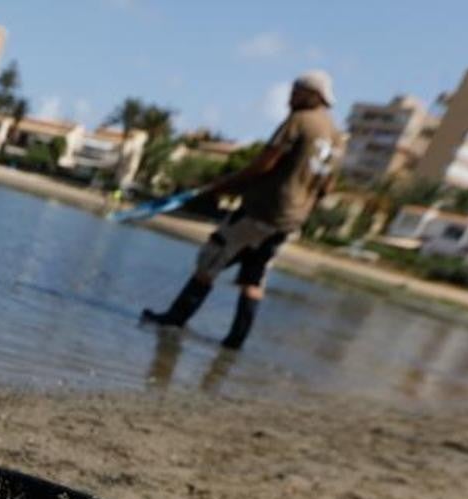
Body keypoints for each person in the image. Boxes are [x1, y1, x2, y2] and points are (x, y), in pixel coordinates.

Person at [141, 70, 342, 349]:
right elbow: (327, 186)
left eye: (295, 90)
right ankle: (235, 343)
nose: (290, 96)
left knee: (211, 259)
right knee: (254, 277)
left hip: (262, 210)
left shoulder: (299, 121)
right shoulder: (335, 134)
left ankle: (174, 320)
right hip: (289, 221)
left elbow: (264, 164)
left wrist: (222, 186)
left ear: (312, 95)